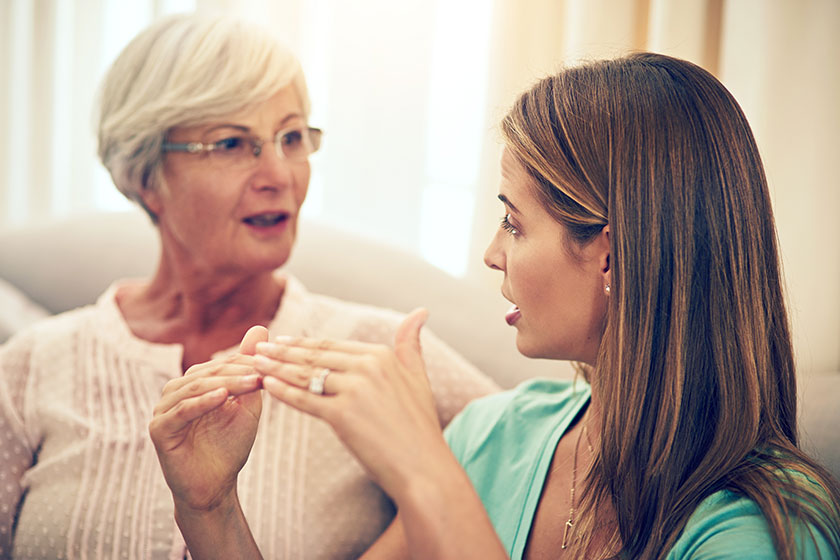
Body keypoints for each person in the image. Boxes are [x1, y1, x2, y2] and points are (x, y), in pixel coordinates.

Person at [151, 52, 840, 559]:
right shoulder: (495, 436)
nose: (491, 253)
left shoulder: (765, 526)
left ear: (611, 253)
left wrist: (422, 470)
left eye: (514, 222)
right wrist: (208, 508)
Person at [0, 13, 498, 560]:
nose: (280, 174)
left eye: (291, 137)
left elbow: (557, 455)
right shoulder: (29, 369)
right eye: (234, 144)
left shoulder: (381, 353)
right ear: (146, 177)